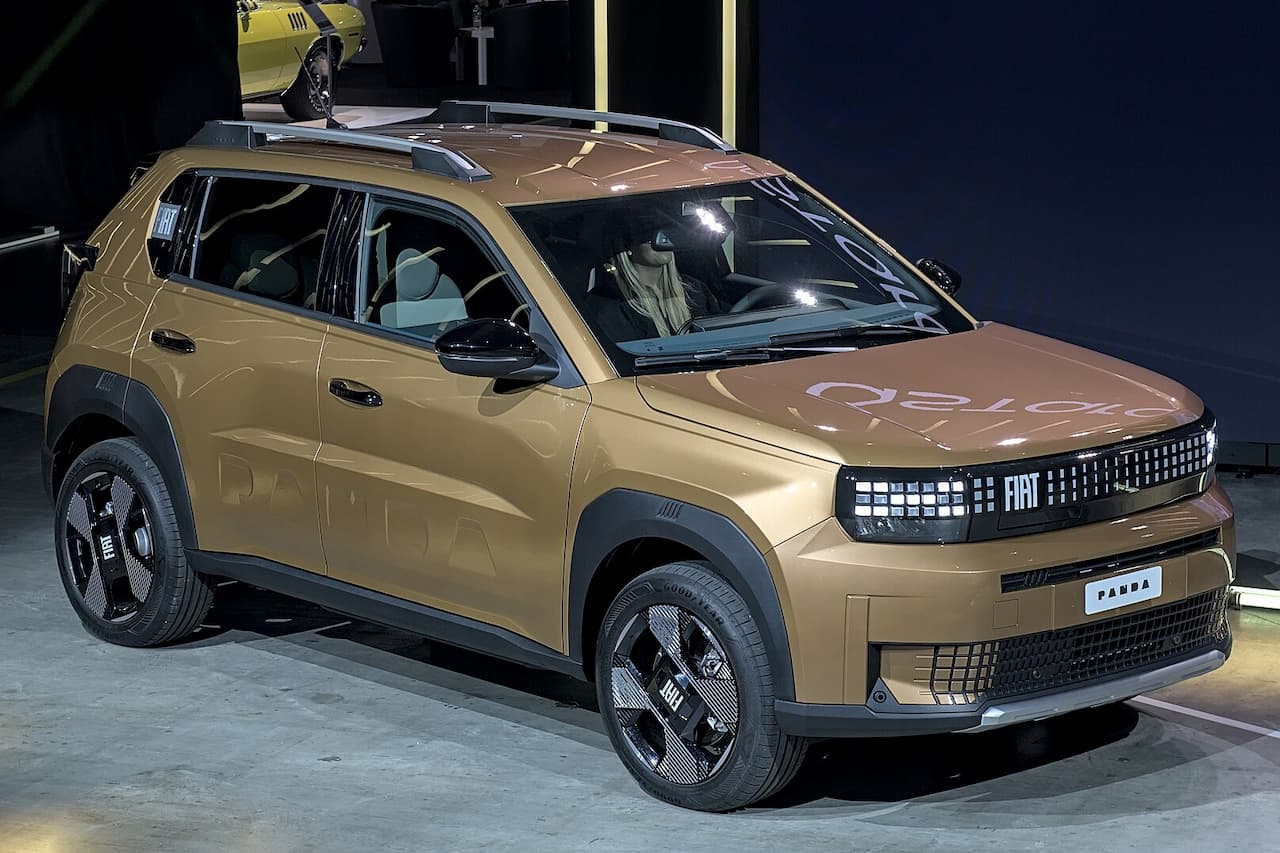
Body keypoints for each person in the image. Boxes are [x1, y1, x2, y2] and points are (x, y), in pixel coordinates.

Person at [592, 232, 728, 342]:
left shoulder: (694, 290)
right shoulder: (611, 303)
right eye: (652, 235)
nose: (663, 240)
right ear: (628, 247)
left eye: (667, 233)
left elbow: (720, 333)